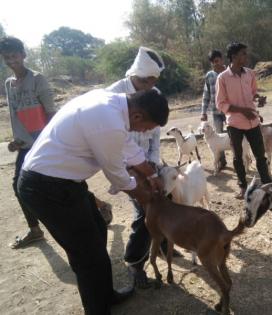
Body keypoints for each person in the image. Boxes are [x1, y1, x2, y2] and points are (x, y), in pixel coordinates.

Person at [18, 89, 169, 315]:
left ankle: (106, 294)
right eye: (147, 127)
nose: (145, 132)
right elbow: (117, 175)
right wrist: (147, 199)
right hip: (46, 187)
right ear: (137, 116)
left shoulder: (114, 106)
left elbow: (128, 146)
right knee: (87, 255)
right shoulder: (108, 122)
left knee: (98, 230)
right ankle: (97, 310)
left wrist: (152, 175)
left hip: (63, 181)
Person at [106, 46, 168, 288]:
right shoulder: (114, 94)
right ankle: (135, 262)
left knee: (163, 198)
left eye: (155, 82)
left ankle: (163, 244)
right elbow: (118, 141)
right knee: (144, 211)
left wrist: (152, 161)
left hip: (148, 161)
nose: (153, 86)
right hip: (126, 164)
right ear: (140, 78)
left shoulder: (154, 93)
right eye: (149, 81)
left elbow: (155, 132)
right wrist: (138, 170)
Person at [0, 36, 56, 249]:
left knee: (63, 182)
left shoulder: (38, 79)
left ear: (23, 55)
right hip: (24, 146)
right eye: (6, 58)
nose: (11, 60)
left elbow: (51, 113)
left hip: (44, 144)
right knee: (18, 186)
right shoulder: (8, 84)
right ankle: (35, 230)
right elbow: (16, 114)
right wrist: (15, 140)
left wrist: (54, 143)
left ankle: (98, 205)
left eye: (14, 55)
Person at [216, 42, 271, 199]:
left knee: (260, 155)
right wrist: (242, 111)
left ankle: (266, 183)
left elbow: (252, 93)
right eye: (243, 54)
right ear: (233, 57)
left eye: (246, 53)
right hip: (234, 124)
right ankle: (243, 186)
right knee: (238, 156)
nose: (246, 56)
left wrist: (258, 98)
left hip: (252, 121)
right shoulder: (223, 78)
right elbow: (220, 104)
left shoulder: (250, 74)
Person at [201, 49, 227, 169]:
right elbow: (206, 94)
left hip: (230, 111)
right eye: (213, 62)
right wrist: (203, 112)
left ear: (222, 59)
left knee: (234, 135)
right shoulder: (209, 75)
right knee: (218, 136)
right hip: (216, 112)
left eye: (217, 60)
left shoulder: (229, 72)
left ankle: (239, 159)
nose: (215, 63)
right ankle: (222, 161)